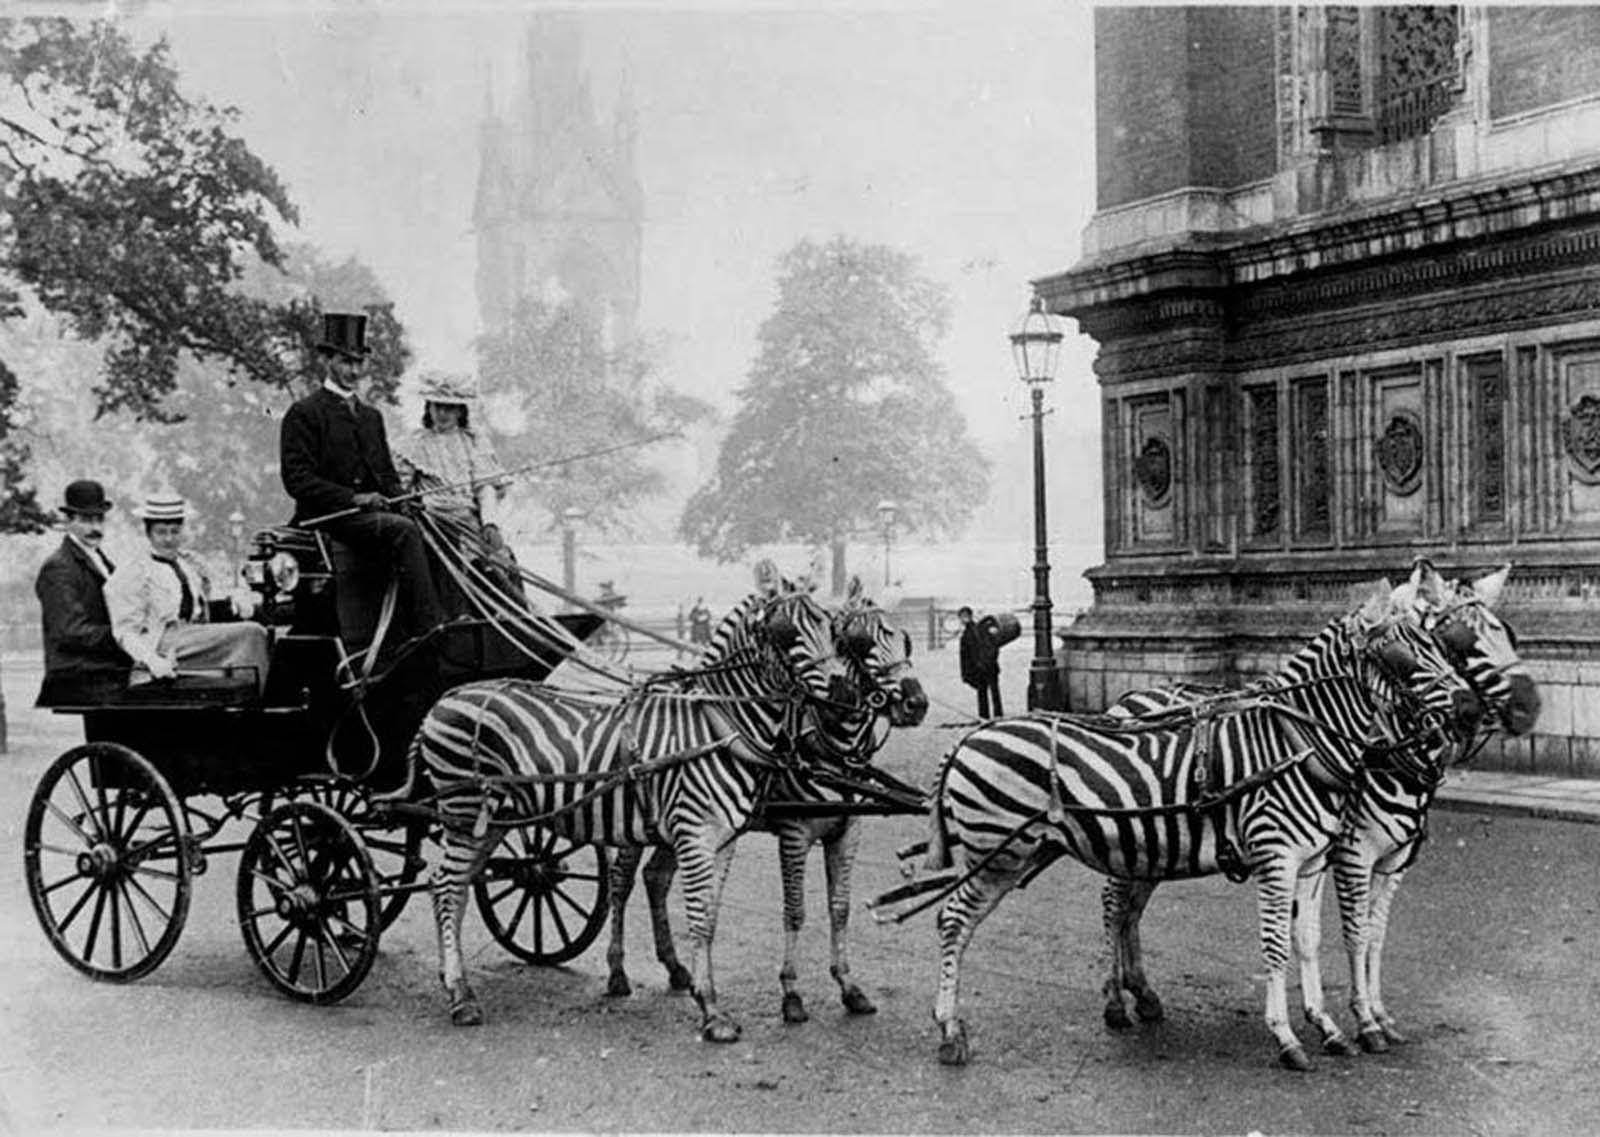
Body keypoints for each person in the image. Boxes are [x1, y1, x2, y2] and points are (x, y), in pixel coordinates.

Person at [279, 311, 446, 640]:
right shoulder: (304, 413)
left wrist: (404, 499)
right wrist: (354, 498)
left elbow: (385, 475)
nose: (354, 371)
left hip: (368, 518)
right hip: (328, 518)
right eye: (345, 361)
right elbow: (297, 480)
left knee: (434, 526)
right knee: (402, 531)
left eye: (359, 363)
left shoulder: (371, 417)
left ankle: (451, 619)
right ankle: (428, 627)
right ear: (327, 360)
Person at [104, 493, 271, 693]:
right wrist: (152, 660)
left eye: (175, 531)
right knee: (251, 634)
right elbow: (125, 632)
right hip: (162, 643)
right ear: (148, 533)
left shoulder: (188, 563)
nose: (168, 539)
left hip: (193, 638)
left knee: (261, 630)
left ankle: (248, 692)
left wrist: (237, 600)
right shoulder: (135, 571)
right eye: (161, 532)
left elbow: (210, 601)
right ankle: (259, 700)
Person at [34, 479, 132, 706]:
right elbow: (70, 631)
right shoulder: (59, 567)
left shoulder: (102, 561)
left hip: (104, 669)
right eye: (87, 520)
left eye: (100, 519)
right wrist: (126, 637)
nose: (96, 528)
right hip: (79, 673)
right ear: (69, 521)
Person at [958, 605, 1003, 719]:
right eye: (962, 617)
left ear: (969, 616)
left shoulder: (976, 630)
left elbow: (993, 644)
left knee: (987, 692)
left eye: (965, 616)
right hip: (985, 666)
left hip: (984, 666)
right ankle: (992, 715)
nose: (964, 619)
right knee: (988, 692)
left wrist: (988, 660)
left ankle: (989, 716)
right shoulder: (974, 631)